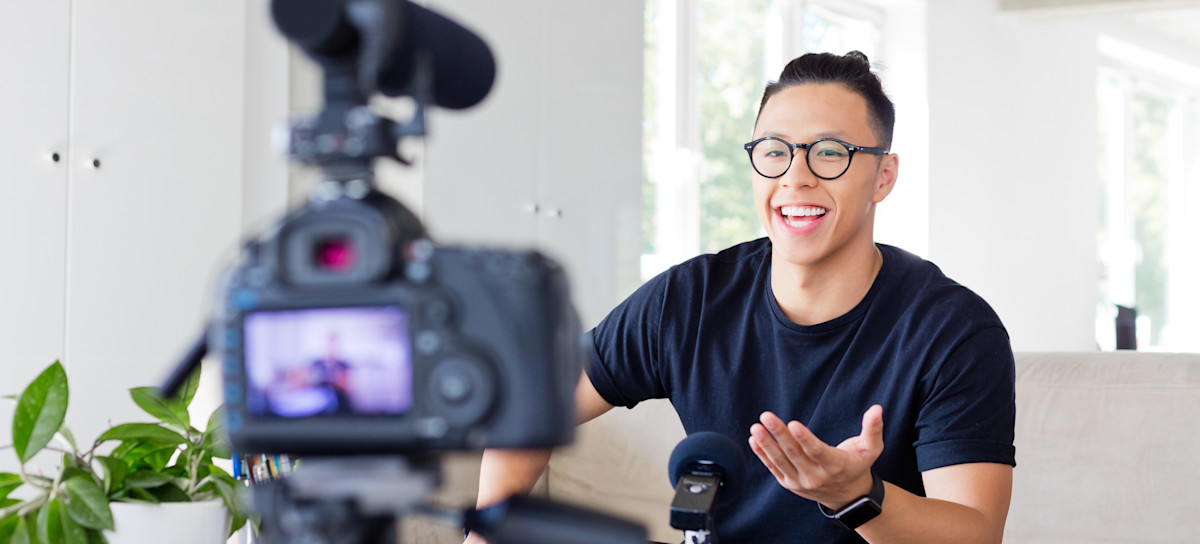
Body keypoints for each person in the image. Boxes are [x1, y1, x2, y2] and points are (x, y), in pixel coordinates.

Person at [468, 51, 1015, 544]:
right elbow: (532, 404)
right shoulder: (690, 298)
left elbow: (975, 532)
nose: (796, 177)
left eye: (830, 152)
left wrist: (856, 494)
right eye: (775, 151)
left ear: (883, 177)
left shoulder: (955, 330)